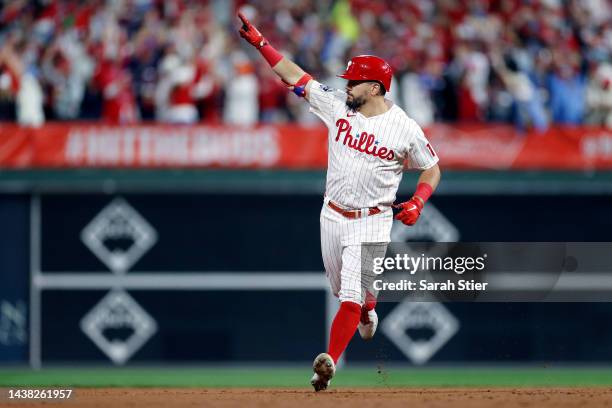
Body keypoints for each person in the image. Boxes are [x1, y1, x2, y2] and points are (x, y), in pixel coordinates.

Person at [237, 11, 441, 391]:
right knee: (345, 291)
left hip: (373, 219)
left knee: (349, 293)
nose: (347, 86)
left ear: (376, 88)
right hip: (331, 214)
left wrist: (418, 201)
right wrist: (261, 44)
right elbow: (296, 76)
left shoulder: (405, 128)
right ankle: (368, 308)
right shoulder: (338, 107)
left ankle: (325, 367)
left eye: (355, 82)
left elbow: (432, 168)